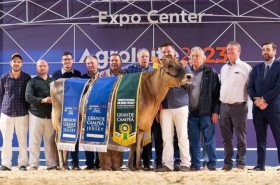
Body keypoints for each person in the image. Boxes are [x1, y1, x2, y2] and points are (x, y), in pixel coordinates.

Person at [156, 43, 194, 172]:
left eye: (169, 51)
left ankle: (185, 164)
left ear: (174, 52)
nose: (167, 54)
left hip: (180, 105)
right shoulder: (160, 69)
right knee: (166, 138)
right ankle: (167, 164)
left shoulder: (183, 66)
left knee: (182, 136)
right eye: (164, 52)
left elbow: (191, 84)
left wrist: (178, 82)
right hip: (165, 107)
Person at [219, 41, 252, 171]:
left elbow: (251, 87)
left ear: (239, 52)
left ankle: (241, 163)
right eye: (227, 50)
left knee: (241, 137)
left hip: (239, 107)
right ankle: (227, 163)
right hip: (224, 107)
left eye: (232, 50)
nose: (229, 52)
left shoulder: (246, 67)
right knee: (226, 138)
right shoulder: (223, 68)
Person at [248, 42, 280, 171]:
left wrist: (263, 99)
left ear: (274, 52)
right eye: (263, 50)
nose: (265, 52)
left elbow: (278, 87)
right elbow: (250, 87)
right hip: (258, 110)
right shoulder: (256, 68)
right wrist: (256, 101)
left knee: (278, 137)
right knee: (260, 138)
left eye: (268, 49)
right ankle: (260, 165)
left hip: (274, 109)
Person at [187, 47, 220, 171]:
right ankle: (195, 164)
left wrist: (215, 111)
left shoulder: (211, 72)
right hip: (191, 114)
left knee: (209, 141)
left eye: (198, 56)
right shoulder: (186, 72)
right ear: (189, 59)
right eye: (193, 56)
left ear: (204, 58)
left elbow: (217, 94)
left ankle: (211, 164)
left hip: (207, 113)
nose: (195, 58)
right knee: (194, 141)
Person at [123, 48, 156, 170]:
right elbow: (120, 73)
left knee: (146, 137)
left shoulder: (153, 71)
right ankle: (132, 162)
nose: (145, 58)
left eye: (147, 56)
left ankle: (145, 163)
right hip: (132, 107)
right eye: (142, 56)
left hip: (147, 109)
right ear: (138, 59)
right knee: (132, 135)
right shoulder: (131, 69)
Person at [0, 53, 31, 171]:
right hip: (6, 113)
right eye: (14, 61)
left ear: (21, 64)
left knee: (22, 140)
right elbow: (0, 95)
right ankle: (6, 164)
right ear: (10, 63)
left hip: (22, 114)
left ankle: (22, 164)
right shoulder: (3, 78)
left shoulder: (27, 78)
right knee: (6, 140)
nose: (16, 63)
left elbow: (29, 96)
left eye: (18, 61)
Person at [25, 59, 58, 170]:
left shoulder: (54, 82)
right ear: (37, 68)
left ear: (47, 67)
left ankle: (52, 164)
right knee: (34, 141)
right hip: (35, 115)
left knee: (50, 142)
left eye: (44, 65)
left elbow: (59, 97)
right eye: (40, 66)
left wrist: (54, 100)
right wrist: (43, 100)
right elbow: (28, 97)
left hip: (50, 116)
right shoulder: (32, 81)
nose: (42, 68)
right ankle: (34, 165)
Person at [52, 51, 81, 170]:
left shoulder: (78, 73)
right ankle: (61, 163)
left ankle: (75, 163)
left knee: (74, 137)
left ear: (72, 61)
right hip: (59, 109)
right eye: (65, 60)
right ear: (61, 61)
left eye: (69, 59)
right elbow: (54, 91)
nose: (67, 61)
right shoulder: (55, 74)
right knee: (59, 136)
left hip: (74, 109)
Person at [99, 53, 126, 170]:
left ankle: (117, 164)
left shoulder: (126, 75)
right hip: (105, 109)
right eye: (112, 61)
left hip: (120, 110)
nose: (114, 62)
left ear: (121, 62)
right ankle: (105, 165)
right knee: (104, 138)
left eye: (116, 60)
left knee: (118, 137)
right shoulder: (102, 74)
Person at [81, 55, 100, 170]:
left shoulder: (103, 76)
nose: (90, 65)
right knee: (87, 137)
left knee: (99, 137)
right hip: (86, 111)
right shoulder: (82, 78)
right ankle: (89, 163)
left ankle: (99, 162)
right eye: (88, 63)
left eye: (92, 63)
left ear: (97, 63)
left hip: (100, 111)